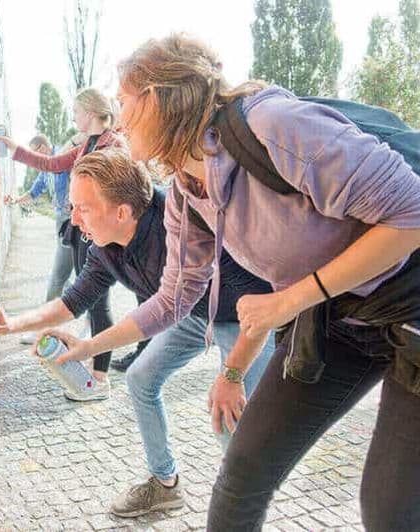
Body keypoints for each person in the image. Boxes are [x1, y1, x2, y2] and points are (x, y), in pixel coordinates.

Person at [44, 33, 420, 530]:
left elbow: (411, 215)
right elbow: (173, 301)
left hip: (408, 307)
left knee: (389, 509)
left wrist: (294, 299)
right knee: (242, 471)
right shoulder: (185, 192)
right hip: (339, 319)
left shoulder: (272, 124)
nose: (117, 111)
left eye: (124, 99)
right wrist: (89, 346)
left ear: (157, 97)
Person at [0, 148, 275, 515]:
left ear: (122, 212)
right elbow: (73, 300)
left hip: (248, 319)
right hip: (192, 315)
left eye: (82, 208)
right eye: (72, 206)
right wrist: (11, 324)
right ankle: (165, 484)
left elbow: (163, 310)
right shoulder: (105, 244)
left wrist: (232, 374)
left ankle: (238, 509)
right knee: (140, 378)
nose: (73, 219)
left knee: (230, 418)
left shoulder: (179, 226)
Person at [0, 88, 129, 398]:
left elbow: (120, 190)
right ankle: (98, 376)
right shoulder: (88, 144)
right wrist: (16, 151)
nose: (73, 117)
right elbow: (54, 164)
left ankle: (100, 378)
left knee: (100, 304)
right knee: (94, 303)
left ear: (92, 112)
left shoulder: (116, 145)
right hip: (85, 232)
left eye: (76, 111)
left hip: (101, 235)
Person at [4, 134, 75, 345]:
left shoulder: (62, 157)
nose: (35, 157)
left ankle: (45, 329)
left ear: (43, 147)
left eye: (36, 152)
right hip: (61, 221)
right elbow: (35, 192)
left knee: (59, 277)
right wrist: (16, 200)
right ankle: (84, 325)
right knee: (73, 277)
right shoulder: (46, 171)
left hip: (74, 222)